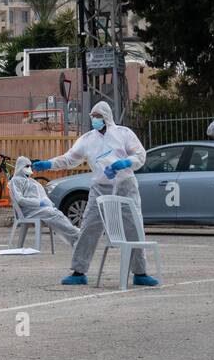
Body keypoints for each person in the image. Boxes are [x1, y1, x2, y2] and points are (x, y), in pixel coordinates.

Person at [31, 100, 160, 286]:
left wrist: (126, 162)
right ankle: (78, 271)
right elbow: (69, 159)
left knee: (134, 227)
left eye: (98, 116)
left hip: (125, 186)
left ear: (106, 117)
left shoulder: (123, 134)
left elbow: (140, 155)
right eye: (93, 117)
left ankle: (140, 273)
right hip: (100, 187)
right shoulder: (87, 139)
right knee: (89, 227)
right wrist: (48, 164)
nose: (94, 120)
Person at [8, 155, 80, 248]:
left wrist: (47, 203)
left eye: (29, 166)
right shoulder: (15, 181)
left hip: (37, 210)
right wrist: (39, 203)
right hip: (28, 211)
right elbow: (20, 200)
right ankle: (76, 236)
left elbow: (41, 195)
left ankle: (74, 238)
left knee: (57, 214)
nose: (29, 168)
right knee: (54, 214)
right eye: (26, 166)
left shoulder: (31, 181)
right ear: (20, 167)